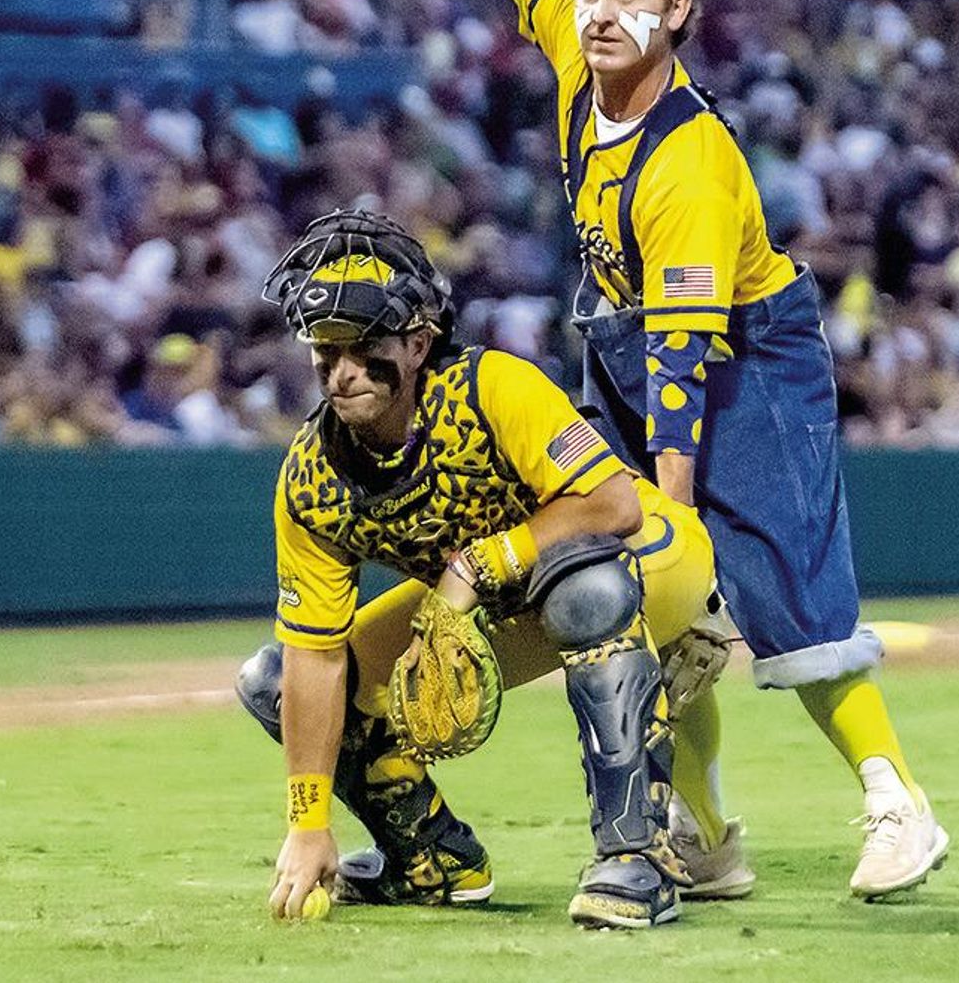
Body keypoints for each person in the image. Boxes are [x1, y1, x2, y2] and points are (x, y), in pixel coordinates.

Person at [435, 0, 948, 899]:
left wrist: (671, 518)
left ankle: (898, 804)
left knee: (785, 600)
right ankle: (707, 840)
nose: (599, 9)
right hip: (625, 344)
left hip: (747, 363)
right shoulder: (575, 49)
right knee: (657, 616)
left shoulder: (689, 163)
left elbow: (687, 346)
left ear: (676, 15)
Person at [236, 209, 749, 930]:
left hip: (649, 554)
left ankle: (638, 858)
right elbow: (315, 657)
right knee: (272, 681)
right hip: (490, 600)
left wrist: (477, 563)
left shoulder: (491, 387)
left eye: (362, 346)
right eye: (325, 349)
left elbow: (610, 503)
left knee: (586, 592)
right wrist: (307, 819)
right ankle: (431, 861)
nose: (341, 370)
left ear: (418, 344)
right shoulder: (311, 479)